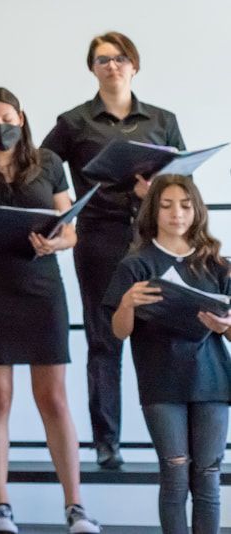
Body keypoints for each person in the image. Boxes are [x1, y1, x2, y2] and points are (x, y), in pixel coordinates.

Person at [0, 88, 100, 534]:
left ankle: (76, 505)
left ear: (23, 117)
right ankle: (0, 505)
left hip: (41, 285)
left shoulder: (48, 163)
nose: (3, 127)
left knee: (53, 397)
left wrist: (56, 240)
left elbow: (71, 230)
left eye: (8, 118)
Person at [42, 32, 185, 468]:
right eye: (103, 59)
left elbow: (183, 182)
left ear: (135, 65)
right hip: (99, 238)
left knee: (165, 335)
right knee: (104, 342)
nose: (113, 66)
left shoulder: (162, 119)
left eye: (121, 58)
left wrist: (154, 189)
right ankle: (108, 443)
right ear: (92, 68)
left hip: (153, 240)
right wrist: (62, 207)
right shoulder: (74, 122)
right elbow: (41, 168)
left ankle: (176, 443)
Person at [105, 175, 231, 534]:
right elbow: (118, 331)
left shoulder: (218, 264)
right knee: (175, 470)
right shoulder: (136, 264)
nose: (177, 213)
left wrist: (225, 325)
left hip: (212, 380)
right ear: (153, 211)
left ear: (197, 211)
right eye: (167, 205)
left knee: (208, 472)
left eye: (185, 205)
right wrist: (127, 302)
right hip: (161, 380)